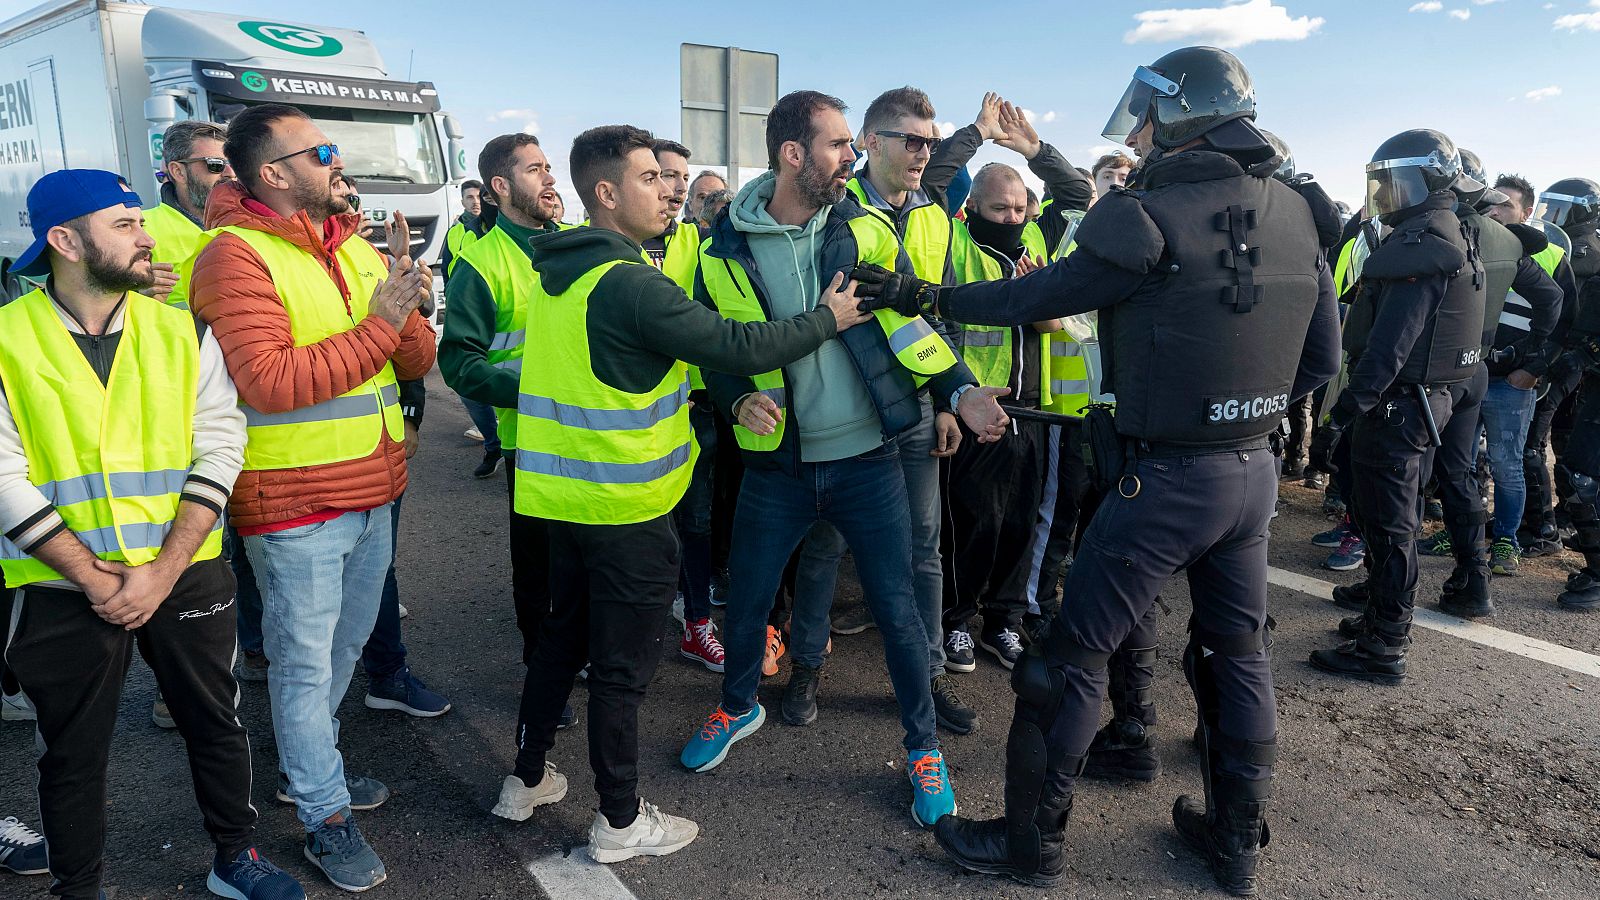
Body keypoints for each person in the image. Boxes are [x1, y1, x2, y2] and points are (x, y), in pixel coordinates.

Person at [854, 47, 1338, 893]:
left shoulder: (1143, 212)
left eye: (1146, 118)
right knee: (1238, 654)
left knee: (1066, 664)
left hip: (1165, 481)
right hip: (1252, 472)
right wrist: (1242, 415)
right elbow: (1321, 362)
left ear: (1177, 116)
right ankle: (1236, 843)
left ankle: (1029, 845)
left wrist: (922, 296)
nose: (1138, 135)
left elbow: (1029, 298)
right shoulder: (1300, 210)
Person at [493, 123, 871, 862]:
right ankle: (619, 822)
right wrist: (829, 319)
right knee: (622, 672)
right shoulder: (631, 282)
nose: (668, 190)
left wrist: (729, 398)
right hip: (625, 510)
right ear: (606, 193)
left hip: (561, 503)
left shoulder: (561, 271)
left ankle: (526, 779)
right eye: (649, 178)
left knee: (561, 643)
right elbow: (737, 345)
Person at [679, 89, 1010, 831]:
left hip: (868, 460)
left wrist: (959, 390)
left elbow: (909, 322)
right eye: (837, 145)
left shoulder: (862, 230)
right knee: (749, 603)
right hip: (777, 468)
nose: (850, 157)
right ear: (792, 154)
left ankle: (923, 748)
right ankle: (737, 705)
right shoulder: (723, 247)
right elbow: (716, 348)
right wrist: (737, 399)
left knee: (898, 609)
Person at [0, 168, 303, 900]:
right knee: (71, 750)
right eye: (125, 225)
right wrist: (95, 578)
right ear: (65, 241)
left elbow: (221, 443)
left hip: (184, 570)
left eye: (142, 221)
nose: (147, 238)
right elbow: (2, 474)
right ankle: (79, 888)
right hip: (60, 582)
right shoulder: (7, 338)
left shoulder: (181, 329)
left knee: (216, 721)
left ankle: (236, 857)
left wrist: (162, 570)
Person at [188, 103, 437, 892]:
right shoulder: (233, 256)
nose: (338, 161)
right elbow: (269, 381)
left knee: (342, 651)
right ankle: (326, 817)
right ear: (273, 173)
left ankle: (309, 772)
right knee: (302, 667)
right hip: (296, 503)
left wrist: (407, 302)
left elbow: (412, 363)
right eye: (321, 151)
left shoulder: (352, 244)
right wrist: (383, 323)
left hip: (374, 488)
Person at [1306, 129, 1489, 679]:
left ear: (1424, 181)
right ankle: (1378, 610)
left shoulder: (1421, 244)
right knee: (1382, 517)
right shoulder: (1447, 228)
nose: (1385, 194)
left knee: (1391, 526)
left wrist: (1341, 415)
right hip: (1422, 401)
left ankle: (1383, 643)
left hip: (1398, 404)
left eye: (1394, 182)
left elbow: (1391, 347)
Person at [438, 132, 578, 727]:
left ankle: (579, 654)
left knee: (584, 565)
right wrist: (537, 390)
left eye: (549, 167)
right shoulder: (480, 263)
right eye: (535, 170)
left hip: (598, 438)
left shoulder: (575, 245)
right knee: (540, 572)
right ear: (500, 186)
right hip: (533, 443)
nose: (550, 179)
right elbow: (459, 363)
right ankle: (544, 674)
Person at [647, 138, 724, 672]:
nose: (676, 187)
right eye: (663, 175)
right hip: (625, 419)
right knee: (641, 529)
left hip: (693, 410)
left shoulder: (698, 242)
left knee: (695, 521)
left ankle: (697, 622)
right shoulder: (611, 247)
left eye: (682, 177)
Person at [1494, 174, 1582, 558]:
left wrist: (1533, 370)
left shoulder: (1554, 255)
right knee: (1465, 463)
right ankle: (1467, 530)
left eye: (1506, 205)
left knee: (1513, 460)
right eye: (1492, 202)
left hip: (1516, 381)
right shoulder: (1478, 242)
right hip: (1471, 372)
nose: (1496, 211)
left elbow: (1566, 323)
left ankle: (1522, 536)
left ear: (1526, 212)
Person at [1532, 177, 1600, 610]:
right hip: (1587, 380)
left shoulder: (1587, 253)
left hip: (1584, 377)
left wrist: (1568, 361)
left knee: (1580, 476)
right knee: (1577, 470)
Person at [149, 120, 233, 309]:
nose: (230, 173)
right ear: (178, 172)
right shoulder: (141, 229)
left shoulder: (260, 224)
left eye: (235, 163)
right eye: (215, 164)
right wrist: (139, 299)